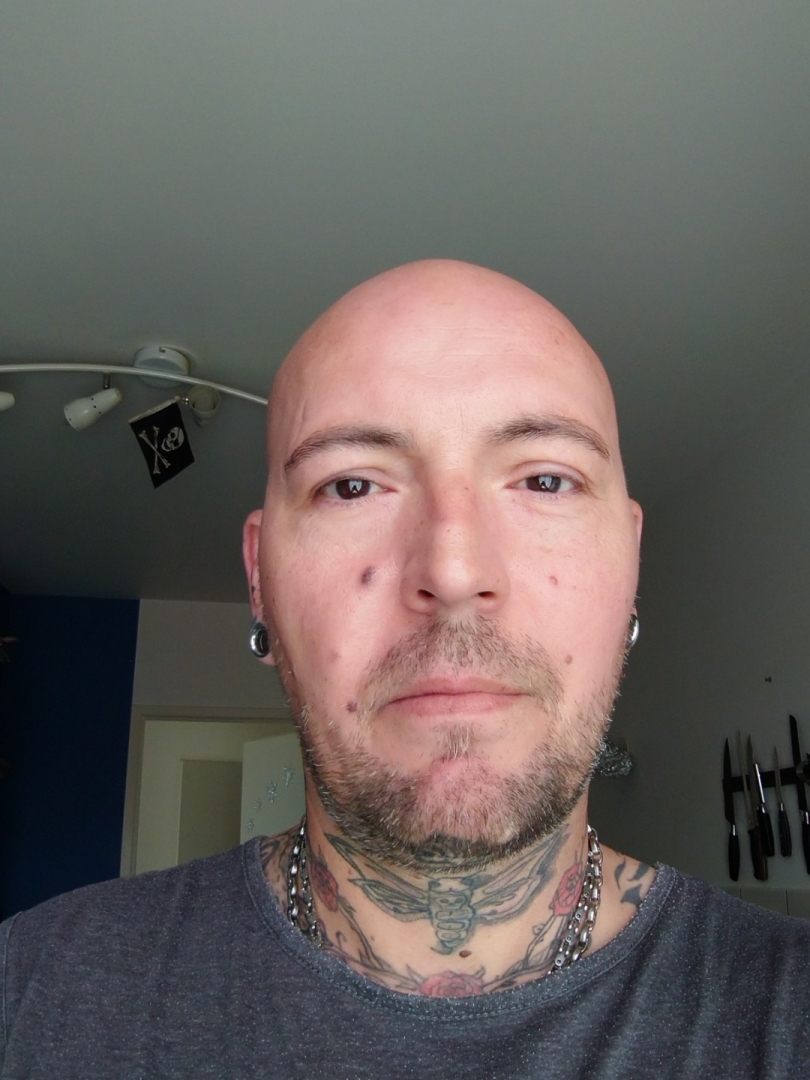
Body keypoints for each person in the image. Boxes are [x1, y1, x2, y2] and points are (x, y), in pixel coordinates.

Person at [1, 260, 809, 1078]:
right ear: (260, 582)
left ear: (629, 565)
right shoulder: (29, 996)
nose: (453, 570)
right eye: (351, 485)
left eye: (545, 478)